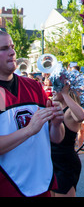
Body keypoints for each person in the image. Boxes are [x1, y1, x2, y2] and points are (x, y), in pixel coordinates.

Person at [0, 31, 65, 197]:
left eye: (12, 47)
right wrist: (29, 130)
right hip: (8, 185)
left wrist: (57, 123)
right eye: (4, 48)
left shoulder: (34, 87)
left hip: (42, 184)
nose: (12, 52)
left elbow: (56, 138)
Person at [50, 83, 84, 197]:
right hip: (51, 161)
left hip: (65, 164)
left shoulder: (69, 112)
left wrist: (65, 94)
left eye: (56, 88)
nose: (53, 90)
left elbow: (81, 116)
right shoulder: (55, 107)